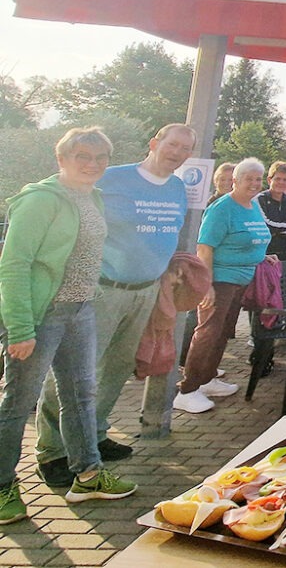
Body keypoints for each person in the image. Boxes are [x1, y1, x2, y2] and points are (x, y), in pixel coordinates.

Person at [35, 123, 194, 485]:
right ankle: (52, 451)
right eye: (172, 144)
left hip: (146, 291)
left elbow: (169, 233)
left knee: (116, 369)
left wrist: (168, 270)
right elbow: (62, 204)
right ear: (155, 143)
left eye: (185, 148)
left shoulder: (177, 188)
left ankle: (94, 434)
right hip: (100, 289)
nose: (177, 152)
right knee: (73, 373)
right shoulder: (112, 178)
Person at [0, 128, 138, 523]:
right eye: (83, 156)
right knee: (17, 404)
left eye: (100, 158)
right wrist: (22, 327)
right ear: (62, 158)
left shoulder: (90, 196)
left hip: (80, 310)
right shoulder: (40, 200)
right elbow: (13, 265)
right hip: (42, 316)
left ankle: (88, 475)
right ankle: (2, 487)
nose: (93, 164)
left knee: (80, 396)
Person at [173, 158, 273, 414]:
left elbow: (252, 239)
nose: (254, 183)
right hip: (220, 280)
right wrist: (206, 285)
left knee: (223, 332)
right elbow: (205, 247)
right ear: (235, 180)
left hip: (242, 280)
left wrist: (264, 255)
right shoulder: (222, 208)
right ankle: (187, 390)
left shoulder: (253, 206)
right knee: (207, 332)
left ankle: (207, 380)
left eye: (258, 179)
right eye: (248, 178)